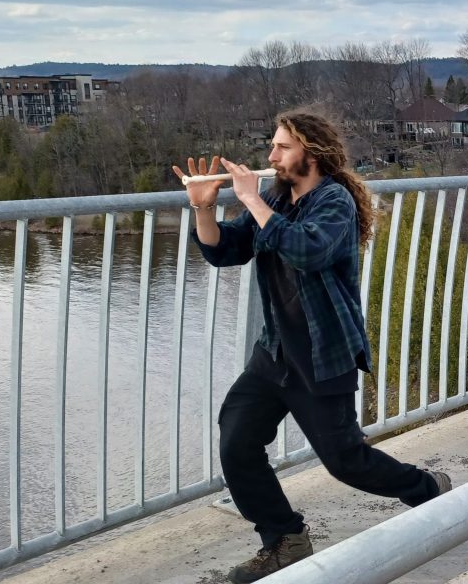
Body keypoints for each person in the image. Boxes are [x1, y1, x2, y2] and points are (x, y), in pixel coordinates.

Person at [173, 110, 452, 583]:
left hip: (324, 356)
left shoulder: (333, 201)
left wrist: (251, 202)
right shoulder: (276, 198)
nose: (271, 156)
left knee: (346, 463)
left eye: (282, 147)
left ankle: (426, 488)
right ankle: (284, 539)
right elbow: (225, 252)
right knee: (237, 440)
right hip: (275, 353)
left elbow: (307, 250)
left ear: (312, 152)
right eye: (273, 146)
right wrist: (204, 209)